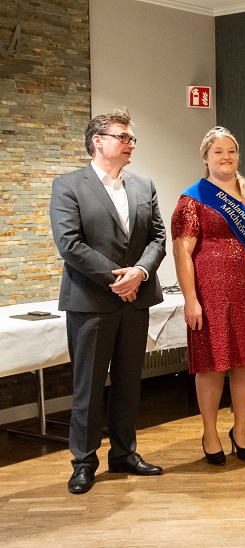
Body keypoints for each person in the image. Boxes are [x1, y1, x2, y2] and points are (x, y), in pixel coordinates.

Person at [50, 108, 167, 494]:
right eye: (123, 136)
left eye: (132, 138)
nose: (130, 143)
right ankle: (83, 462)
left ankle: (124, 454)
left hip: (136, 299)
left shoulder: (143, 184)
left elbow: (157, 238)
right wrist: (118, 277)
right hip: (91, 301)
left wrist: (140, 273)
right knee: (88, 386)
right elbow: (70, 244)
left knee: (129, 384)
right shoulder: (68, 185)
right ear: (98, 141)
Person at [172, 126, 245, 466]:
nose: (226, 157)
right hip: (211, 294)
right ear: (205, 157)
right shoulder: (192, 199)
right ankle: (210, 433)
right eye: (218, 152)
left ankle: (240, 430)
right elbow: (182, 252)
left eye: (231, 151)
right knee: (211, 365)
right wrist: (190, 299)